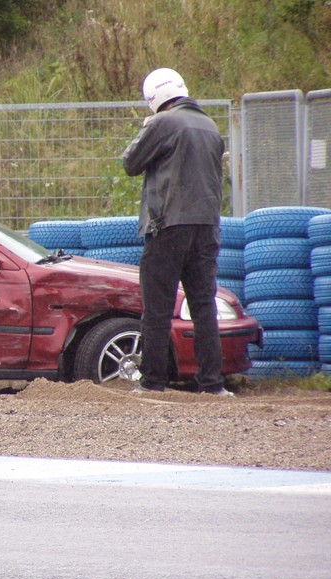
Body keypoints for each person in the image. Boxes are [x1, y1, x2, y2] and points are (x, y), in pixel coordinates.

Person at [122, 68, 233, 396]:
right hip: (207, 228)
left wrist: (146, 129)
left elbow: (130, 163)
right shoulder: (210, 125)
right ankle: (212, 385)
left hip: (168, 226)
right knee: (203, 306)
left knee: (157, 309)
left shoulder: (162, 122)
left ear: (154, 98)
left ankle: (153, 383)